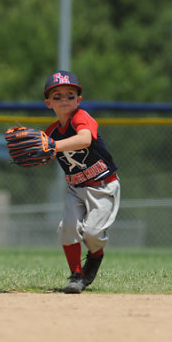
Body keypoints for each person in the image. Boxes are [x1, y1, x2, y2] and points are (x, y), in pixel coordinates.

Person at [43, 70, 121, 294]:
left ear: (78, 100)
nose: (64, 99)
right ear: (48, 103)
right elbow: (43, 157)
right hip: (76, 189)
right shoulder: (50, 133)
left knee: (93, 235)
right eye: (57, 96)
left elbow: (85, 139)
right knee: (67, 228)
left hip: (103, 186)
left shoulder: (81, 118)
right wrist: (32, 154)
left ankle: (94, 259)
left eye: (70, 95)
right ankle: (76, 275)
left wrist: (53, 146)